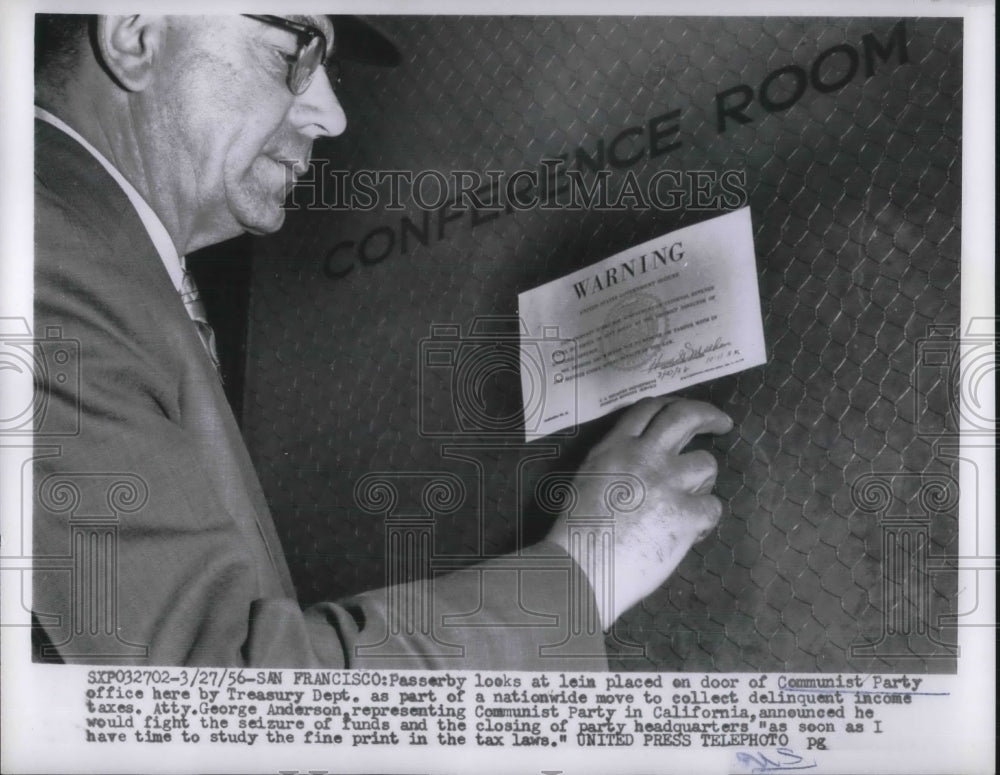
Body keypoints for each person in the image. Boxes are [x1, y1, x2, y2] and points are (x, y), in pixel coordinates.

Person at [32, 14, 732, 668]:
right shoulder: (43, 255)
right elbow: (212, 697)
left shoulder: (94, 256)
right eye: (290, 52)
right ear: (134, 33)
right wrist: (587, 571)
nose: (332, 114)